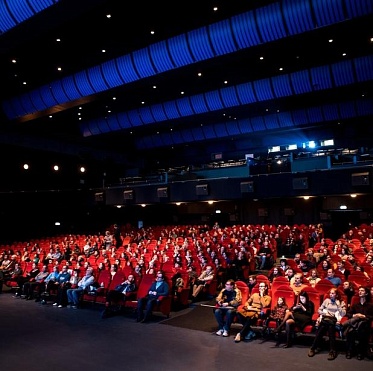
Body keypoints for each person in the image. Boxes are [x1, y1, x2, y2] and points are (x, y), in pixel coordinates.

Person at [308, 287, 346, 360]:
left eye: (332, 293)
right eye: (330, 293)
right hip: (326, 318)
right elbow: (319, 310)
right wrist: (325, 314)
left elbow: (343, 314)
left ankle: (313, 348)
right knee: (329, 327)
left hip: (334, 319)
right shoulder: (326, 300)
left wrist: (338, 305)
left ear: (337, 295)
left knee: (323, 327)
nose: (330, 295)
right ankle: (332, 351)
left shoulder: (341, 302)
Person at [344, 286, 373, 360]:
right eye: (359, 290)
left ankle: (360, 352)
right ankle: (350, 351)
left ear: (366, 293)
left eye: (362, 290)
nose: (360, 292)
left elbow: (371, 316)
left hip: (365, 324)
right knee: (351, 331)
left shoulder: (370, 305)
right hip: (355, 324)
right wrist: (355, 315)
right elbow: (348, 314)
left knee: (362, 331)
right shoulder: (355, 305)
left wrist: (363, 316)